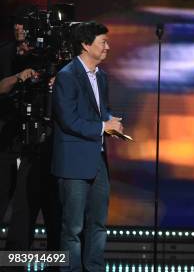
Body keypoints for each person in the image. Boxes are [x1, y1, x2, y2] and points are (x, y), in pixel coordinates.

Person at [52, 21, 123, 272]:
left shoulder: (101, 76)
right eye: (103, 42)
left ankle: (94, 268)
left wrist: (112, 123)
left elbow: (100, 112)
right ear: (85, 44)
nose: (108, 47)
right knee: (72, 228)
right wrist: (103, 127)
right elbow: (68, 119)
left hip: (97, 160)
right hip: (73, 162)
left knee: (98, 224)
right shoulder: (67, 76)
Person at [0, 18, 61, 252]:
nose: (23, 47)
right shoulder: (6, 54)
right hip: (9, 142)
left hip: (42, 146)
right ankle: (13, 262)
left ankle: (56, 263)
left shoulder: (50, 58)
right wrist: (19, 77)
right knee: (20, 213)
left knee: (53, 213)